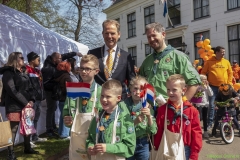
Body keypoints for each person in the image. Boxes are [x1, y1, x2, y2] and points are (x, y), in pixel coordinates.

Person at [139, 22, 201, 101]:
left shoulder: (179, 57)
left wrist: (181, 103)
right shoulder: (147, 60)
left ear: (163, 35)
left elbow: (194, 81)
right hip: (149, 109)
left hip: (170, 109)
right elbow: (140, 83)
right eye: (149, 37)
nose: (151, 39)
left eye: (154, 35)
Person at [0, 52, 39, 160]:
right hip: (14, 105)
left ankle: (27, 148)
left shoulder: (24, 72)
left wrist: (31, 100)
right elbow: (12, 90)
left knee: (28, 126)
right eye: (21, 58)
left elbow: (31, 88)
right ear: (15, 59)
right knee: (13, 129)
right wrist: (25, 102)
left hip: (26, 105)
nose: (23, 59)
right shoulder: (8, 73)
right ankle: (10, 153)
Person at [154, 74, 202, 160]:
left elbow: (196, 133)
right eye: (168, 89)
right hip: (166, 147)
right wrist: (157, 146)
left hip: (185, 149)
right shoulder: (163, 109)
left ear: (183, 90)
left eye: (174, 90)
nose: (170, 92)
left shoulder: (192, 111)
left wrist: (194, 154)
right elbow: (159, 129)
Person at [63, 54, 102, 160]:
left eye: (88, 69)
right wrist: (67, 120)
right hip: (77, 138)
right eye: (81, 68)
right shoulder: (73, 90)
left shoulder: (102, 92)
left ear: (96, 71)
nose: (84, 72)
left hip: (96, 138)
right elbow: (67, 111)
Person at [86, 79, 136, 159]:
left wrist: (108, 148)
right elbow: (90, 138)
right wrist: (90, 146)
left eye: (108, 96)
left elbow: (129, 148)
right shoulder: (97, 117)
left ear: (118, 98)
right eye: (102, 96)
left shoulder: (125, 120)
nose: (104, 99)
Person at [88, 19, 135, 100]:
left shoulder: (126, 56)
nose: (109, 36)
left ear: (119, 34)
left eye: (112, 33)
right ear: (103, 34)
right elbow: (86, 78)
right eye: (107, 33)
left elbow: (132, 82)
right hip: (97, 100)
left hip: (119, 103)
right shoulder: (93, 54)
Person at [41, 51, 82, 136]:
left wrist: (75, 53)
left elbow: (64, 55)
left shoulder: (56, 64)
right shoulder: (49, 68)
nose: (62, 59)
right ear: (55, 59)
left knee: (55, 109)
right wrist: (57, 86)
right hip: (51, 92)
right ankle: (50, 129)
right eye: (60, 58)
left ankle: (54, 128)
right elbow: (46, 84)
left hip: (58, 93)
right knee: (52, 109)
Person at [124, 76, 157, 160]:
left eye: (141, 89)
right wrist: (134, 122)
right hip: (128, 142)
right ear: (130, 88)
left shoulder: (148, 106)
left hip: (143, 143)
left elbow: (153, 130)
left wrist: (149, 116)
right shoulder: (123, 105)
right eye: (135, 88)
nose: (138, 92)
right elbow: (121, 127)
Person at [201, 46, 233, 130]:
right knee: (212, 105)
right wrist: (205, 80)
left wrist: (229, 83)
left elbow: (230, 73)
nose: (224, 53)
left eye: (224, 52)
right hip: (213, 87)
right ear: (217, 52)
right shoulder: (209, 62)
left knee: (225, 105)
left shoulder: (226, 62)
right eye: (222, 52)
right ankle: (209, 124)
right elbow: (203, 72)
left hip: (224, 87)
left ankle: (224, 123)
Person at [26, 52, 47, 143]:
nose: (39, 61)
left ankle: (35, 137)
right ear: (32, 60)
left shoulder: (38, 71)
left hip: (38, 98)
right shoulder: (26, 70)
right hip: (31, 99)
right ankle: (28, 140)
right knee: (29, 119)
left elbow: (40, 85)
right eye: (38, 59)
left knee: (36, 118)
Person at [54, 61, 72, 139]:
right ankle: (64, 134)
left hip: (60, 98)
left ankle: (61, 132)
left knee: (62, 116)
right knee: (66, 115)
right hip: (66, 98)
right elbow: (68, 88)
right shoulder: (66, 76)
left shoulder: (57, 75)